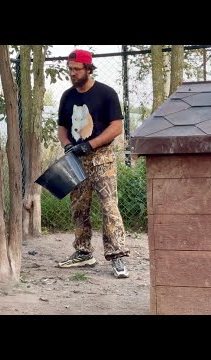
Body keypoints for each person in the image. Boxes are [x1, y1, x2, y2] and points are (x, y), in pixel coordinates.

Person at [56, 49, 130, 278]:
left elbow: (116, 127)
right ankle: (83, 252)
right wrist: (67, 144)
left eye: (77, 69)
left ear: (89, 69)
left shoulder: (106, 94)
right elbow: (62, 129)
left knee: (109, 206)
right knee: (79, 207)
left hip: (102, 159)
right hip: (76, 160)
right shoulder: (67, 97)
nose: (72, 73)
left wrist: (91, 144)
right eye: (70, 69)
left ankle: (117, 255)